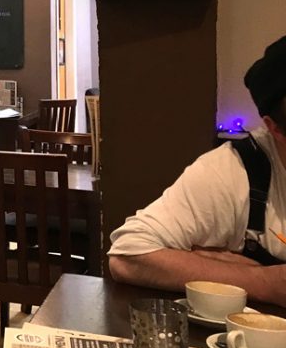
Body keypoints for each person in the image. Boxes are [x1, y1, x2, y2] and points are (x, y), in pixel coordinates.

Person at [108, 34, 286, 307]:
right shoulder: (236, 171)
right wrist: (262, 280)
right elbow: (127, 255)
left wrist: (211, 264)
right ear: (274, 127)